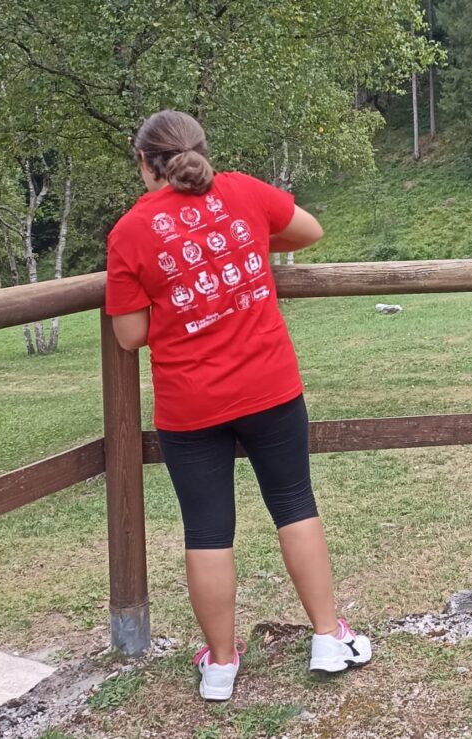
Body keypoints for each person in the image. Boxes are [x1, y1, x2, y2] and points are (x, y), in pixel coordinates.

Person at [105, 110, 371, 701]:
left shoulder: (129, 231)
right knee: (295, 504)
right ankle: (328, 637)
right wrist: (240, 242)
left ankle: (221, 666)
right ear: (202, 150)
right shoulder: (243, 192)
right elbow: (309, 230)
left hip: (190, 403)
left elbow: (129, 334)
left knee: (206, 530)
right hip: (269, 384)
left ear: (145, 163)